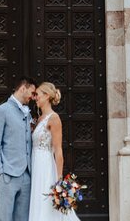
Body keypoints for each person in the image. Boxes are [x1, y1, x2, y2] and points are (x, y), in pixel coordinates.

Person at [28, 82, 80, 221]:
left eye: (37, 95)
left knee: (46, 204)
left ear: (46, 96)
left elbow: (58, 150)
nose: (35, 98)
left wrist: (59, 179)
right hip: (35, 164)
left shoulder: (54, 118)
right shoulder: (39, 119)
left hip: (45, 166)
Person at [0, 76, 37, 221]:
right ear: (23, 88)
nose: (33, 97)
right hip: (7, 175)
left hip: (27, 176)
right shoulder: (1, 111)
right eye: (32, 93)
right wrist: (0, 173)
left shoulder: (28, 113)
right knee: (4, 218)